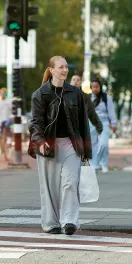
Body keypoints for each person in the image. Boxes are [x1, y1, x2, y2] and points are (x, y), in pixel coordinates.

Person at [29, 56, 92, 236]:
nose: (64, 70)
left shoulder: (75, 93)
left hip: (71, 144)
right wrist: (40, 142)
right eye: (61, 67)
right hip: (48, 146)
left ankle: (69, 221)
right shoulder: (40, 94)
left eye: (66, 67)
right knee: (49, 188)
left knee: (70, 183)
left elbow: (83, 123)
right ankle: (51, 223)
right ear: (51, 70)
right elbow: (35, 123)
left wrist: (86, 150)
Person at [89, 78, 117, 173]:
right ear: (91, 87)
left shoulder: (106, 98)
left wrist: (113, 123)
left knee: (103, 144)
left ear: (100, 87)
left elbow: (111, 111)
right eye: (93, 87)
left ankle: (103, 163)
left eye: (97, 87)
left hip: (104, 123)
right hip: (91, 123)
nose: (95, 89)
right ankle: (95, 165)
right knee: (93, 145)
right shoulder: (88, 98)